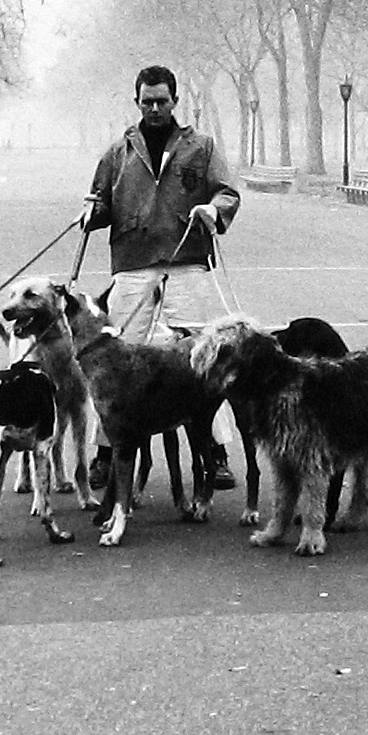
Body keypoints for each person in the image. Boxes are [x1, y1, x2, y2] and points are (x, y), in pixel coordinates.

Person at [83, 64, 243, 484]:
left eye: (162, 101)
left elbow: (227, 192)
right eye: (147, 101)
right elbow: (99, 203)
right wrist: (91, 212)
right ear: (137, 102)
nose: (155, 108)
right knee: (113, 361)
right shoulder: (117, 154)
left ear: (175, 101)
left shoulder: (202, 148)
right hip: (133, 268)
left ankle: (215, 451)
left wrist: (215, 209)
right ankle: (105, 452)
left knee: (204, 359)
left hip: (188, 263)